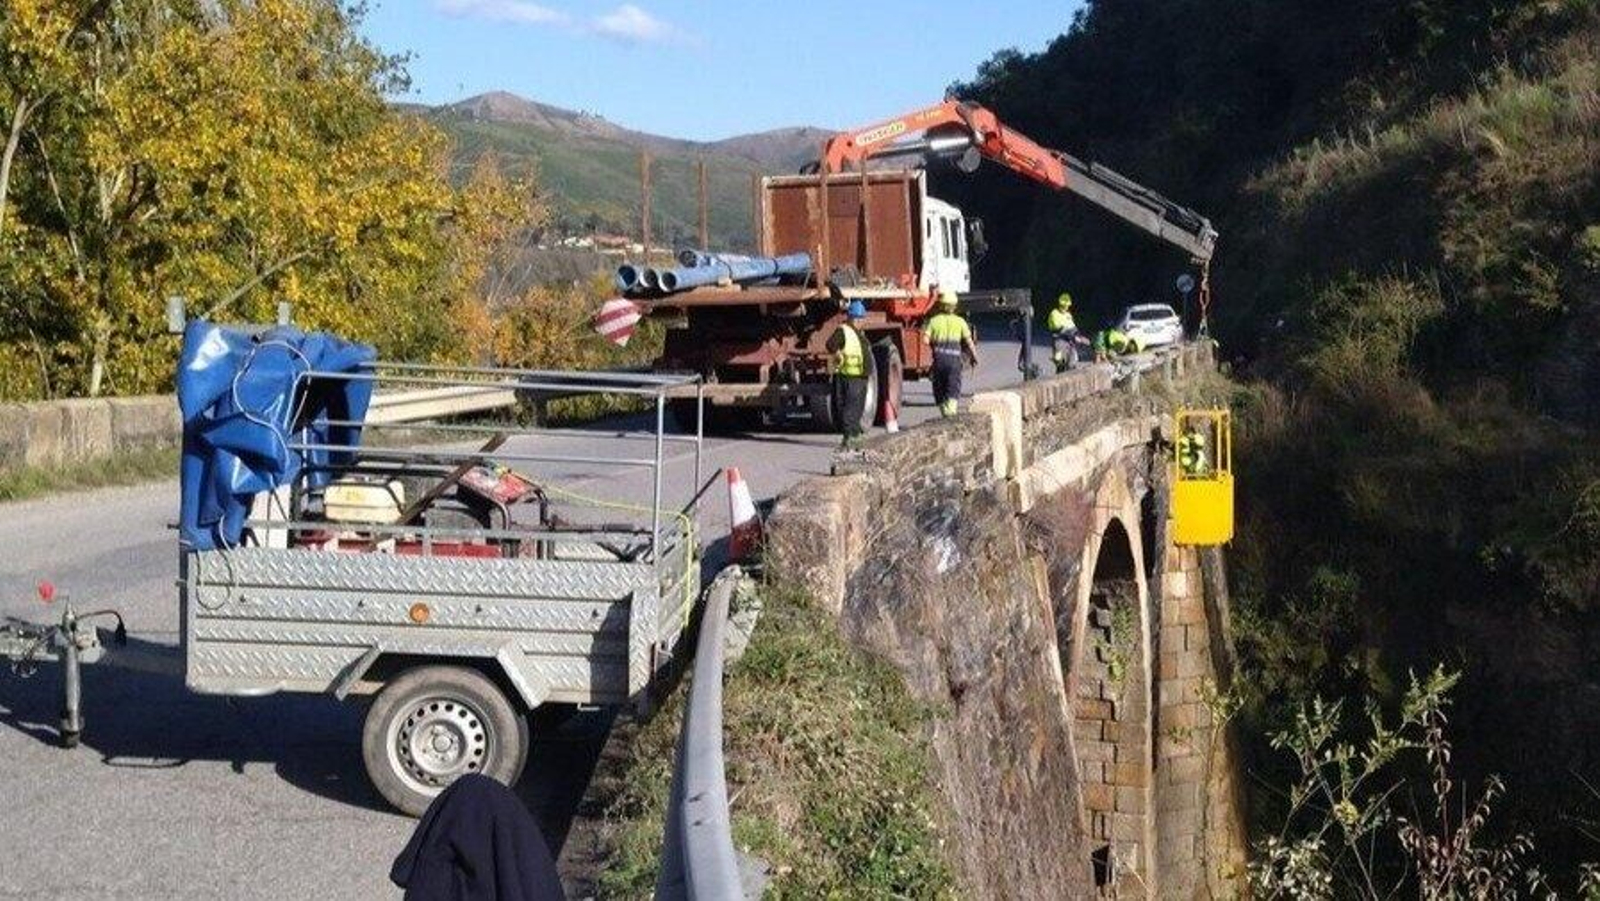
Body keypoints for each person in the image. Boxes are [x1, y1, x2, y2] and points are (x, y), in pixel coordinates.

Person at [926, 291, 980, 417]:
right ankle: (951, 412)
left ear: (941, 305)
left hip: (939, 361)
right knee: (953, 386)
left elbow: (925, 340)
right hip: (954, 361)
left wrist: (935, 344)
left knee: (939, 388)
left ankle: (944, 412)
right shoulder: (960, 322)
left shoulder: (934, 321)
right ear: (954, 306)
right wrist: (974, 357)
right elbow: (969, 342)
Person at [827, 300, 871, 448]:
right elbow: (831, 344)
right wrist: (838, 353)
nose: (861, 321)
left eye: (861, 319)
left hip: (860, 376)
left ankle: (855, 434)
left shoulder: (858, 333)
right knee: (850, 408)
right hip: (850, 376)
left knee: (858, 407)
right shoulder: (844, 331)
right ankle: (849, 436)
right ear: (853, 318)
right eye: (859, 319)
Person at [1047, 291, 1079, 373]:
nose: (1065, 307)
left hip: (1070, 340)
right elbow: (1058, 328)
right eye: (1063, 306)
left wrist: (1077, 334)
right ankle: (1059, 366)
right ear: (1059, 304)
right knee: (1059, 358)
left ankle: (1071, 370)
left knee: (1072, 360)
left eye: (1067, 306)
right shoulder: (1054, 313)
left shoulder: (1068, 315)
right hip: (1059, 339)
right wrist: (1070, 334)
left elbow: (1073, 327)